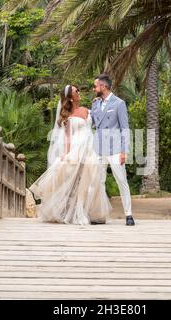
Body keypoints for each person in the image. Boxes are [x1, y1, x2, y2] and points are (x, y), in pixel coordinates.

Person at [29, 84, 112, 225]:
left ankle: (91, 212)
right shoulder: (67, 116)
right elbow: (67, 138)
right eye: (76, 91)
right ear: (70, 98)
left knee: (91, 180)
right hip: (77, 149)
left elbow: (99, 123)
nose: (79, 92)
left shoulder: (86, 110)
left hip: (90, 148)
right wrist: (66, 154)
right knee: (76, 180)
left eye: (78, 90)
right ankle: (73, 211)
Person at [91, 74, 135, 226]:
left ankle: (129, 215)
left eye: (95, 86)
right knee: (99, 183)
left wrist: (125, 151)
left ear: (103, 86)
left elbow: (124, 128)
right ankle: (100, 215)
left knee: (122, 181)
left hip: (116, 149)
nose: (94, 89)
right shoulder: (95, 104)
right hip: (99, 149)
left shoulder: (119, 103)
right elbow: (93, 124)